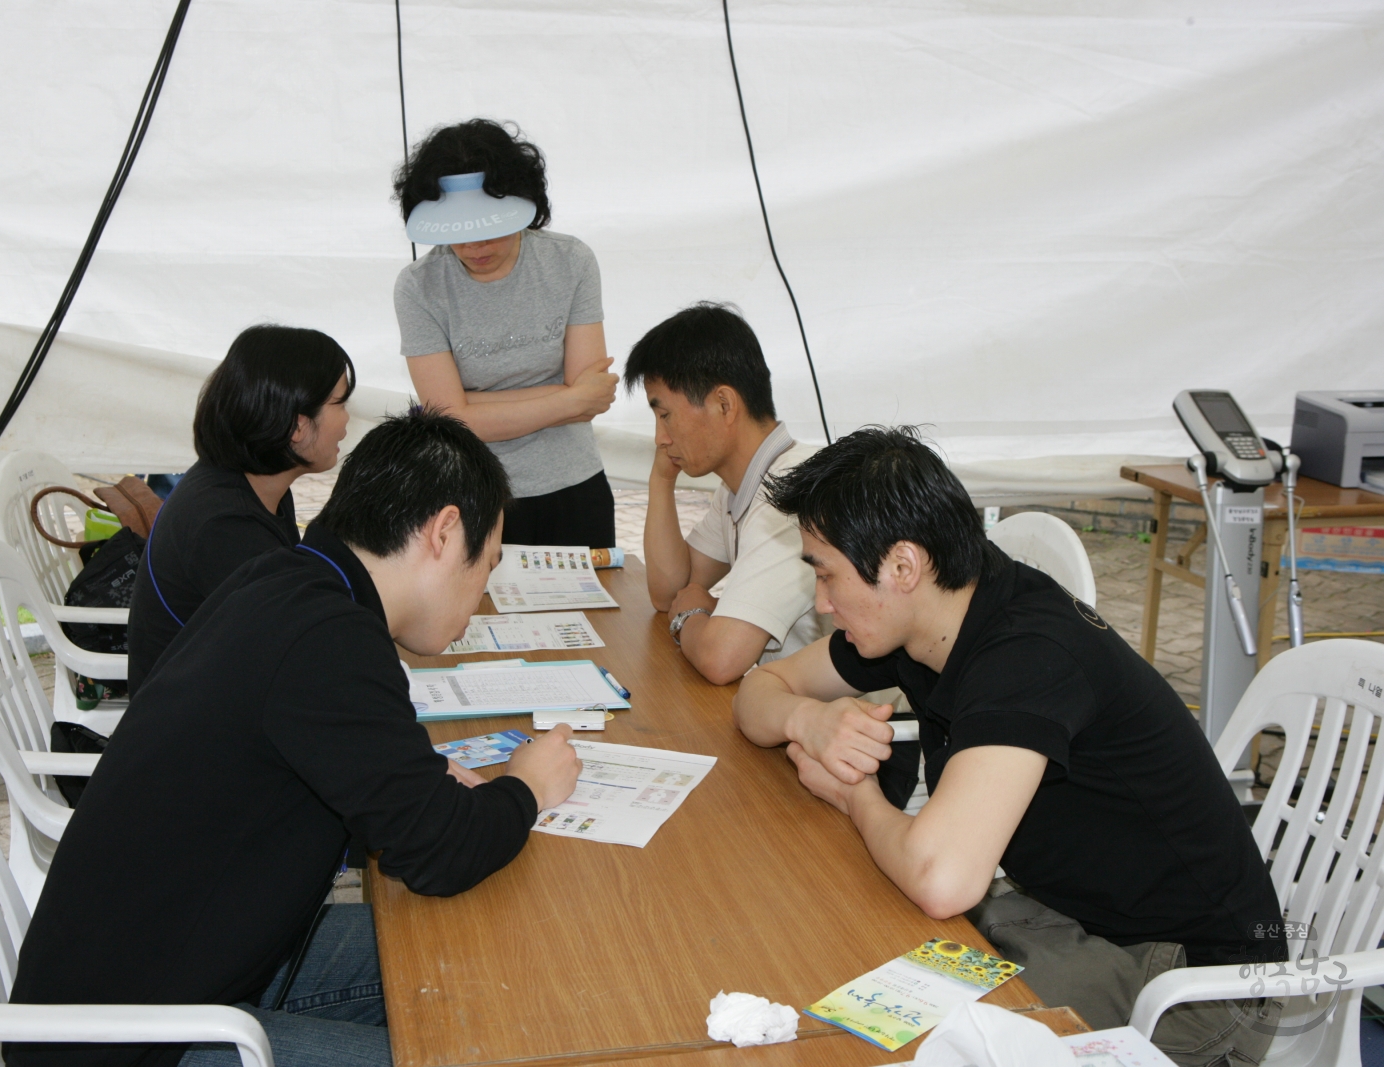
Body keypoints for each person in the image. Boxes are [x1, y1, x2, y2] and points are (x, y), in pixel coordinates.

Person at [7, 409, 583, 1067]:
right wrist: (528, 787)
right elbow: (437, 851)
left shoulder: (294, 584)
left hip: (180, 970)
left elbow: (359, 777)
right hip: (133, 1041)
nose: (480, 596)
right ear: (445, 533)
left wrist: (426, 782)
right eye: (488, 565)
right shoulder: (328, 638)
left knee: (483, 958)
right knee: (461, 1040)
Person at [731, 427, 1285, 1065]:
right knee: (829, 960)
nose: (823, 604)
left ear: (903, 567)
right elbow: (759, 690)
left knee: (880, 1036)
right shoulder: (935, 612)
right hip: (1069, 922)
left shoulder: (1026, 658)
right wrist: (807, 720)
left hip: (1193, 989)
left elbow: (943, 882)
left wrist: (854, 796)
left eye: (828, 577)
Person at [392, 118, 619, 549]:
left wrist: (470, 405)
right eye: (460, 235)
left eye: (489, 230)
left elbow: (593, 398)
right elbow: (448, 420)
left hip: (574, 485)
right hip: (472, 494)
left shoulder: (570, 261)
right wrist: (566, 397)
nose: (476, 248)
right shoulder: (419, 286)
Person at [126, 324, 354, 693]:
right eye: (340, 403)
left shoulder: (254, 482)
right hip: (190, 725)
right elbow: (298, 655)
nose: (346, 419)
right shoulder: (225, 526)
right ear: (297, 426)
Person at [624, 303, 828, 684]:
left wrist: (693, 617)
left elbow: (722, 658)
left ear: (723, 404)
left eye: (665, 414)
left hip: (858, 724)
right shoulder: (742, 482)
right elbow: (670, 592)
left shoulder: (790, 492)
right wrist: (661, 481)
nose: (659, 438)